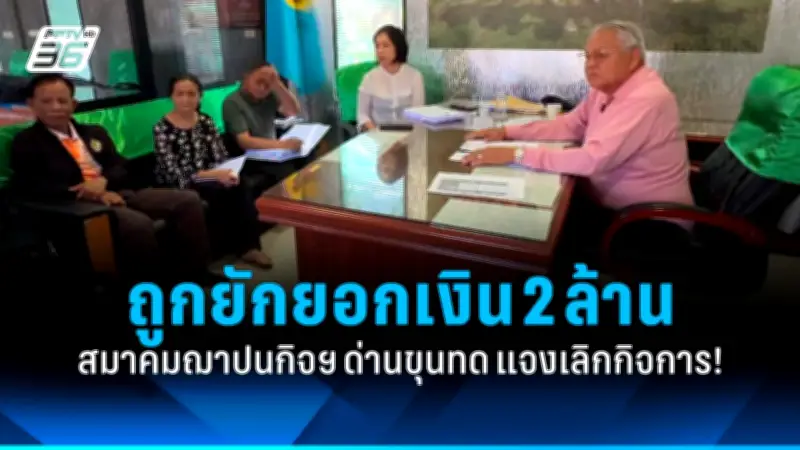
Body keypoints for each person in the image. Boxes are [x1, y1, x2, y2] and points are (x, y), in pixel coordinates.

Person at [465, 21, 694, 261]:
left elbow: (592, 160)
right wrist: (506, 132)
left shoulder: (646, 98)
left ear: (633, 58)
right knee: (532, 221)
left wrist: (516, 154)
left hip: (651, 225)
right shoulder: (604, 90)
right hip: (615, 209)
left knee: (539, 236)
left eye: (601, 55)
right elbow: (568, 125)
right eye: (587, 56)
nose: (590, 64)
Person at [8, 74, 218, 284]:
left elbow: (120, 165)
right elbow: (33, 185)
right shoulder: (27, 142)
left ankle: (195, 274)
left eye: (62, 101)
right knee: (138, 225)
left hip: (119, 191)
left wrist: (104, 181)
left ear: (74, 104)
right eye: (46, 101)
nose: (56, 107)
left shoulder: (93, 132)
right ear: (31, 104)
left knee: (188, 200)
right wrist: (91, 193)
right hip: (80, 206)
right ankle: (148, 290)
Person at [153, 74, 272, 268]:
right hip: (180, 183)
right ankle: (214, 255)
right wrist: (214, 175)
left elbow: (220, 156)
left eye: (191, 94)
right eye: (180, 94)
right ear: (171, 97)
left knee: (239, 183)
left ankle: (250, 248)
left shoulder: (205, 121)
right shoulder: (161, 128)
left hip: (211, 176)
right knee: (216, 191)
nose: (186, 99)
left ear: (199, 96)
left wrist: (227, 173)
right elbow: (174, 172)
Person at [222, 62, 304, 189]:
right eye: (259, 81)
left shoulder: (270, 96)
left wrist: (277, 85)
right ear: (247, 77)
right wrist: (284, 145)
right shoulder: (232, 102)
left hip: (273, 151)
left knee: (307, 159)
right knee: (286, 171)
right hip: (250, 156)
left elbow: (292, 111)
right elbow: (245, 141)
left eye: (267, 84)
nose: (262, 88)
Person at [358, 25, 425, 131]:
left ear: (398, 47)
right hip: (377, 134)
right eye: (377, 46)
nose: (380, 51)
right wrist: (376, 133)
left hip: (408, 134)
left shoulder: (415, 76)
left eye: (385, 46)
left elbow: (418, 113)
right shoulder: (369, 78)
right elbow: (362, 115)